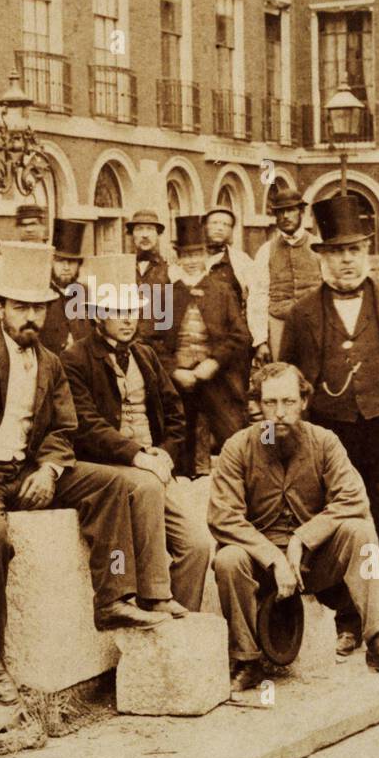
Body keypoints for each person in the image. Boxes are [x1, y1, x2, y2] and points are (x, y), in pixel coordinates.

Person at [0, 242, 180, 708]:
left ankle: (112, 598)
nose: (31, 317)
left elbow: (64, 427)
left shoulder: (48, 361)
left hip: (24, 472)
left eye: (39, 308)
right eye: (20, 307)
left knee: (119, 483)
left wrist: (50, 468)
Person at [279, 194, 379, 652]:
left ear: (366, 253)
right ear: (323, 258)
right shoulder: (302, 312)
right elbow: (286, 375)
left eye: (353, 251)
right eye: (336, 252)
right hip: (332, 439)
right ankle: (350, 621)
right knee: (340, 528)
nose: (346, 261)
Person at [208, 363, 379, 692]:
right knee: (228, 560)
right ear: (257, 404)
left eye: (289, 402)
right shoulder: (237, 447)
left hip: (313, 563)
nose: (279, 413)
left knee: (360, 533)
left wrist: (302, 539)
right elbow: (223, 516)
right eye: (270, 403)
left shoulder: (324, 442)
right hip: (261, 565)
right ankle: (246, 660)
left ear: (304, 401)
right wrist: (274, 558)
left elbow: (353, 500)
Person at [61, 253, 214, 613]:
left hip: (154, 466)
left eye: (132, 310)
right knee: (144, 485)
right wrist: (136, 455)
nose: (127, 319)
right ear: (97, 314)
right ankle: (154, 597)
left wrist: (165, 453)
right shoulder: (75, 360)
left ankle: (178, 630)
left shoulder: (145, 356)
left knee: (197, 546)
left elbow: (175, 414)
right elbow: (85, 425)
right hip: (112, 469)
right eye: (117, 311)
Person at [155, 215, 251, 476]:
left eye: (197, 254)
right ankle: (185, 482)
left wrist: (214, 362)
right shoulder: (166, 294)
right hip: (178, 379)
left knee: (233, 435)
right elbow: (152, 341)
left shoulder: (221, 291)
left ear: (206, 255)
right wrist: (174, 370)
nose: (192, 260)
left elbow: (241, 336)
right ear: (178, 258)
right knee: (177, 436)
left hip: (216, 378)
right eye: (186, 255)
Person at [249, 181, 321, 361]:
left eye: (290, 210)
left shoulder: (318, 246)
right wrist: (261, 340)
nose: (285, 216)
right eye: (280, 212)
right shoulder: (266, 250)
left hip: (315, 324)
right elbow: (258, 295)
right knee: (282, 378)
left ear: (301, 212)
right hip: (279, 324)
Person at [202, 206, 268, 364]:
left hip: (232, 341)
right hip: (200, 339)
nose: (220, 228)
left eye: (226, 225)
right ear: (204, 226)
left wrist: (260, 341)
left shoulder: (242, 261)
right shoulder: (191, 260)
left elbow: (256, 301)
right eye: (215, 223)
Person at [39, 218, 91, 354]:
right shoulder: (40, 294)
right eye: (60, 261)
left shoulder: (87, 294)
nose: (66, 267)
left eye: (72, 262)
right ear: (51, 262)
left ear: (79, 265)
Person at [128, 208, 171, 345]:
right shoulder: (121, 267)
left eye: (150, 229)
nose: (144, 235)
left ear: (158, 234)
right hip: (126, 347)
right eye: (139, 229)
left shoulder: (170, 269)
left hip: (159, 349)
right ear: (132, 234)